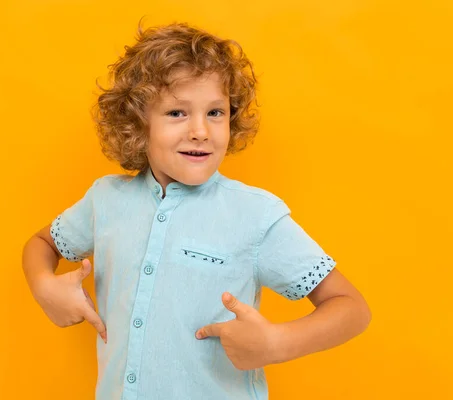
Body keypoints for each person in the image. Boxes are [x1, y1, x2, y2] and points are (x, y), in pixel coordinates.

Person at [22, 21, 371, 400]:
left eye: (216, 113)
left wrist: (277, 342)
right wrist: (44, 286)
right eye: (177, 113)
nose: (201, 131)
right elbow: (42, 243)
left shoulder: (254, 215)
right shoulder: (106, 199)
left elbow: (351, 308)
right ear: (139, 122)